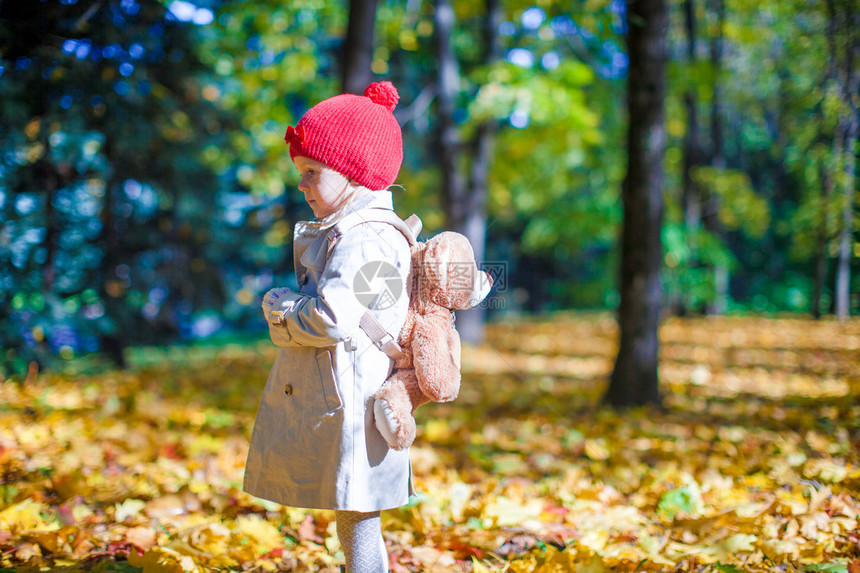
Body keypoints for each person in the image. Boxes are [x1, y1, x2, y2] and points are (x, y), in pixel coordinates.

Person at [243, 81, 412, 573]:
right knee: (354, 511)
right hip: (347, 388)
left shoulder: (367, 239)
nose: (302, 185)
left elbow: (334, 317)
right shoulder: (357, 233)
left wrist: (283, 309)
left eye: (312, 172)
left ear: (355, 172)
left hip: (352, 396)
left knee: (359, 511)